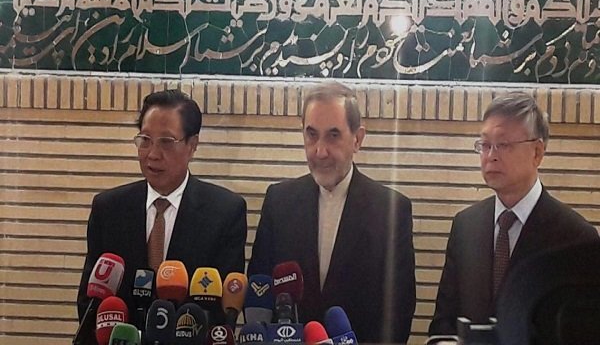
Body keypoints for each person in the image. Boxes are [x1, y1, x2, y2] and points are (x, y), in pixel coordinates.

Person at [247, 81, 416, 344]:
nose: (320, 151)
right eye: (312, 135)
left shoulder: (392, 211)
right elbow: (259, 294)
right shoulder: (278, 202)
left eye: (333, 135)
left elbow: (398, 314)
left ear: (357, 139)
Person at [429, 92, 599, 338]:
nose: (491, 156)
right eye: (485, 145)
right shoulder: (466, 225)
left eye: (503, 145)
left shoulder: (577, 238)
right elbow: (443, 323)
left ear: (537, 152)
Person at [77, 89, 247, 319]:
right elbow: (89, 303)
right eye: (145, 140)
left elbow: (224, 313)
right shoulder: (108, 209)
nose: (153, 154)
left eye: (166, 142)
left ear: (192, 145)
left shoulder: (225, 212)